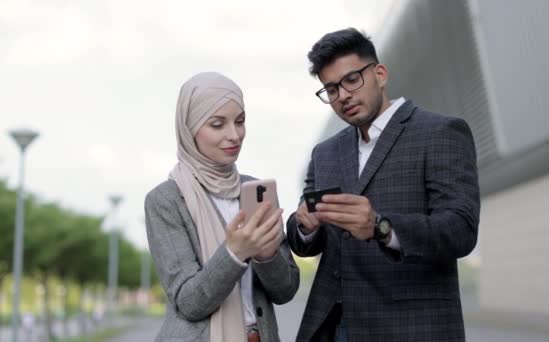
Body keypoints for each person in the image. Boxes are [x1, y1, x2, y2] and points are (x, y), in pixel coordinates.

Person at [286, 28, 480, 341]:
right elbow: (303, 237)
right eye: (331, 89)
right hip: (334, 327)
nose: (343, 95)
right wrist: (305, 226)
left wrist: (381, 227)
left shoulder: (441, 132)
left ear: (380, 74)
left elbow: (461, 230)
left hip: (411, 328)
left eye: (352, 80)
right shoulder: (325, 153)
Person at [145, 72, 299, 342]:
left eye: (240, 122)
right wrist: (235, 253)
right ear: (189, 129)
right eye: (217, 124)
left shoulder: (255, 190)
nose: (234, 135)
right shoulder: (166, 200)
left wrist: (266, 255)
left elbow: (285, 291)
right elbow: (189, 303)